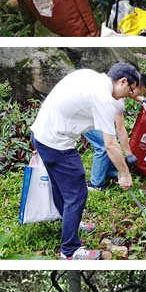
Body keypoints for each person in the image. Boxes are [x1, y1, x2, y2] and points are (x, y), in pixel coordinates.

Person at [29, 62, 140, 260]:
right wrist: (124, 174)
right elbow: (110, 145)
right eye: (130, 90)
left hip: (41, 134)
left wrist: (136, 96)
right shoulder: (103, 98)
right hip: (56, 144)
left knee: (61, 187)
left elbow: (116, 103)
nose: (129, 95)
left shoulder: (91, 76)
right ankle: (69, 251)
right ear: (123, 81)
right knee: (77, 194)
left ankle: (68, 222)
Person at [84, 71, 146, 190]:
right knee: (103, 145)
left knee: (113, 139)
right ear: (132, 86)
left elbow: (132, 94)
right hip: (85, 117)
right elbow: (121, 129)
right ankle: (95, 184)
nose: (138, 95)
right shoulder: (117, 99)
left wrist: (143, 100)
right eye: (140, 92)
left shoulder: (122, 88)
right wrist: (129, 154)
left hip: (96, 115)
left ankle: (110, 174)